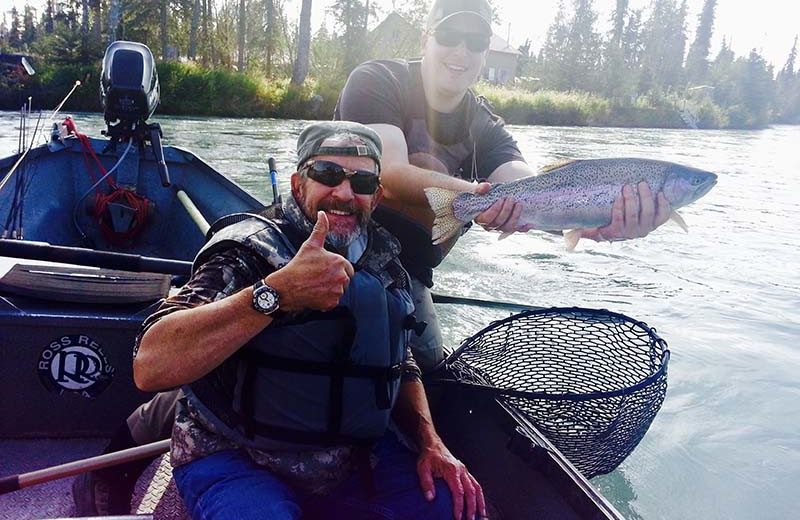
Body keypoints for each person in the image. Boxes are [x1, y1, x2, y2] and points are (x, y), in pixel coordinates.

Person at [130, 121, 486, 520]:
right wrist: (275, 295)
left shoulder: (386, 264)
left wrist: (430, 441)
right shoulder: (247, 252)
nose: (345, 193)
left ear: (378, 195)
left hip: (354, 457)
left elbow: (399, 362)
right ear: (299, 184)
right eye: (327, 175)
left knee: (451, 509)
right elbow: (150, 364)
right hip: (239, 455)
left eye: (363, 182)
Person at [333, 0, 672, 371]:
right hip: (334, 246)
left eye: (476, 41)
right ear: (426, 38)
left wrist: (599, 218)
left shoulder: (487, 127)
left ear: (485, 51)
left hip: (408, 272)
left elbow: (530, 187)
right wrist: (477, 197)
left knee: (428, 366)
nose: (461, 51)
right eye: (449, 35)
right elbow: (390, 174)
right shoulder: (378, 81)